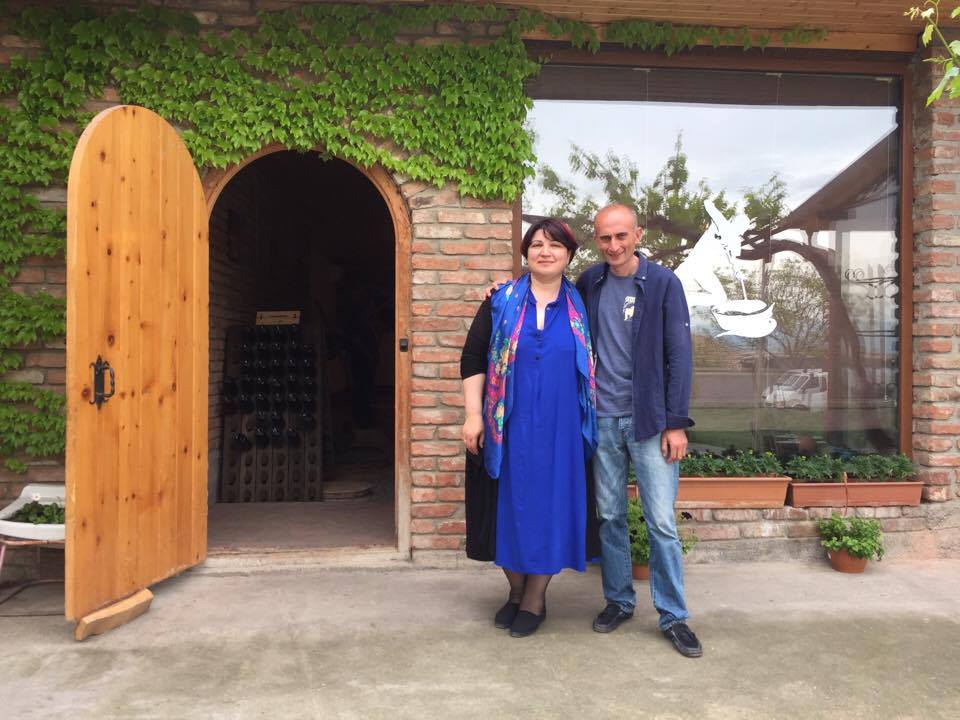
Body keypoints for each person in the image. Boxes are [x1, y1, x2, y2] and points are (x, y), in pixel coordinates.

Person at [460, 218, 599, 638]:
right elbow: (473, 358)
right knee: (507, 506)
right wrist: (472, 416)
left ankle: (535, 599)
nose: (545, 251)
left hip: (562, 431)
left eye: (555, 245)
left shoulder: (583, 304)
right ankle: (515, 590)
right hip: (508, 426)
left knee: (550, 509)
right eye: (536, 244)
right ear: (525, 253)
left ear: (569, 255)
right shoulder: (501, 301)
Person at [575, 203, 703, 658]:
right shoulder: (589, 282)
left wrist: (675, 422)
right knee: (608, 515)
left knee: (662, 522)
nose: (613, 246)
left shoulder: (663, 284)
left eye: (621, 236)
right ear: (597, 240)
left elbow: (679, 357)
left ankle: (673, 616)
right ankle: (619, 601)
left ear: (637, 234)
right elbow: (549, 306)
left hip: (649, 421)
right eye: (605, 238)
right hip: (602, 419)